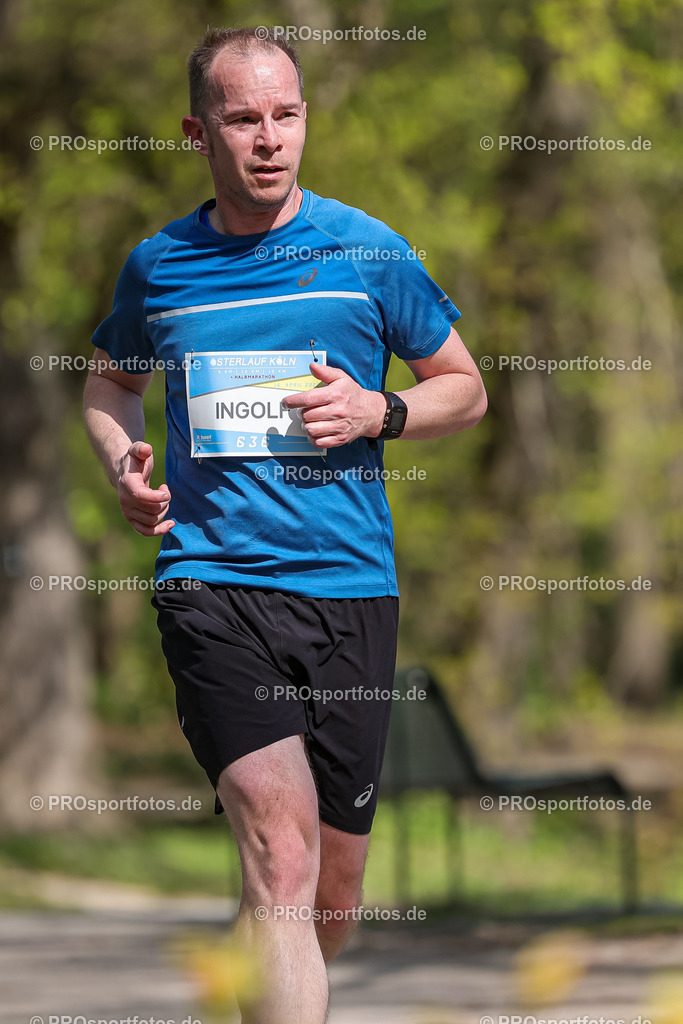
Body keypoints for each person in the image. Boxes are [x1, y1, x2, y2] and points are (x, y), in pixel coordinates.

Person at [84, 25, 486, 1024]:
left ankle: (240, 990)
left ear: (303, 119)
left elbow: (465, 391)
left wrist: (376, 411)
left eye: (285, 115)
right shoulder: (159, 267)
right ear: (198, 131)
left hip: (349, 591)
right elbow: (107, 382)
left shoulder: (367, 251)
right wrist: (123, 465)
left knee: (329, 892)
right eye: (242, 119)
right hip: (210, 584)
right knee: (281, 851)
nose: (268, 139)